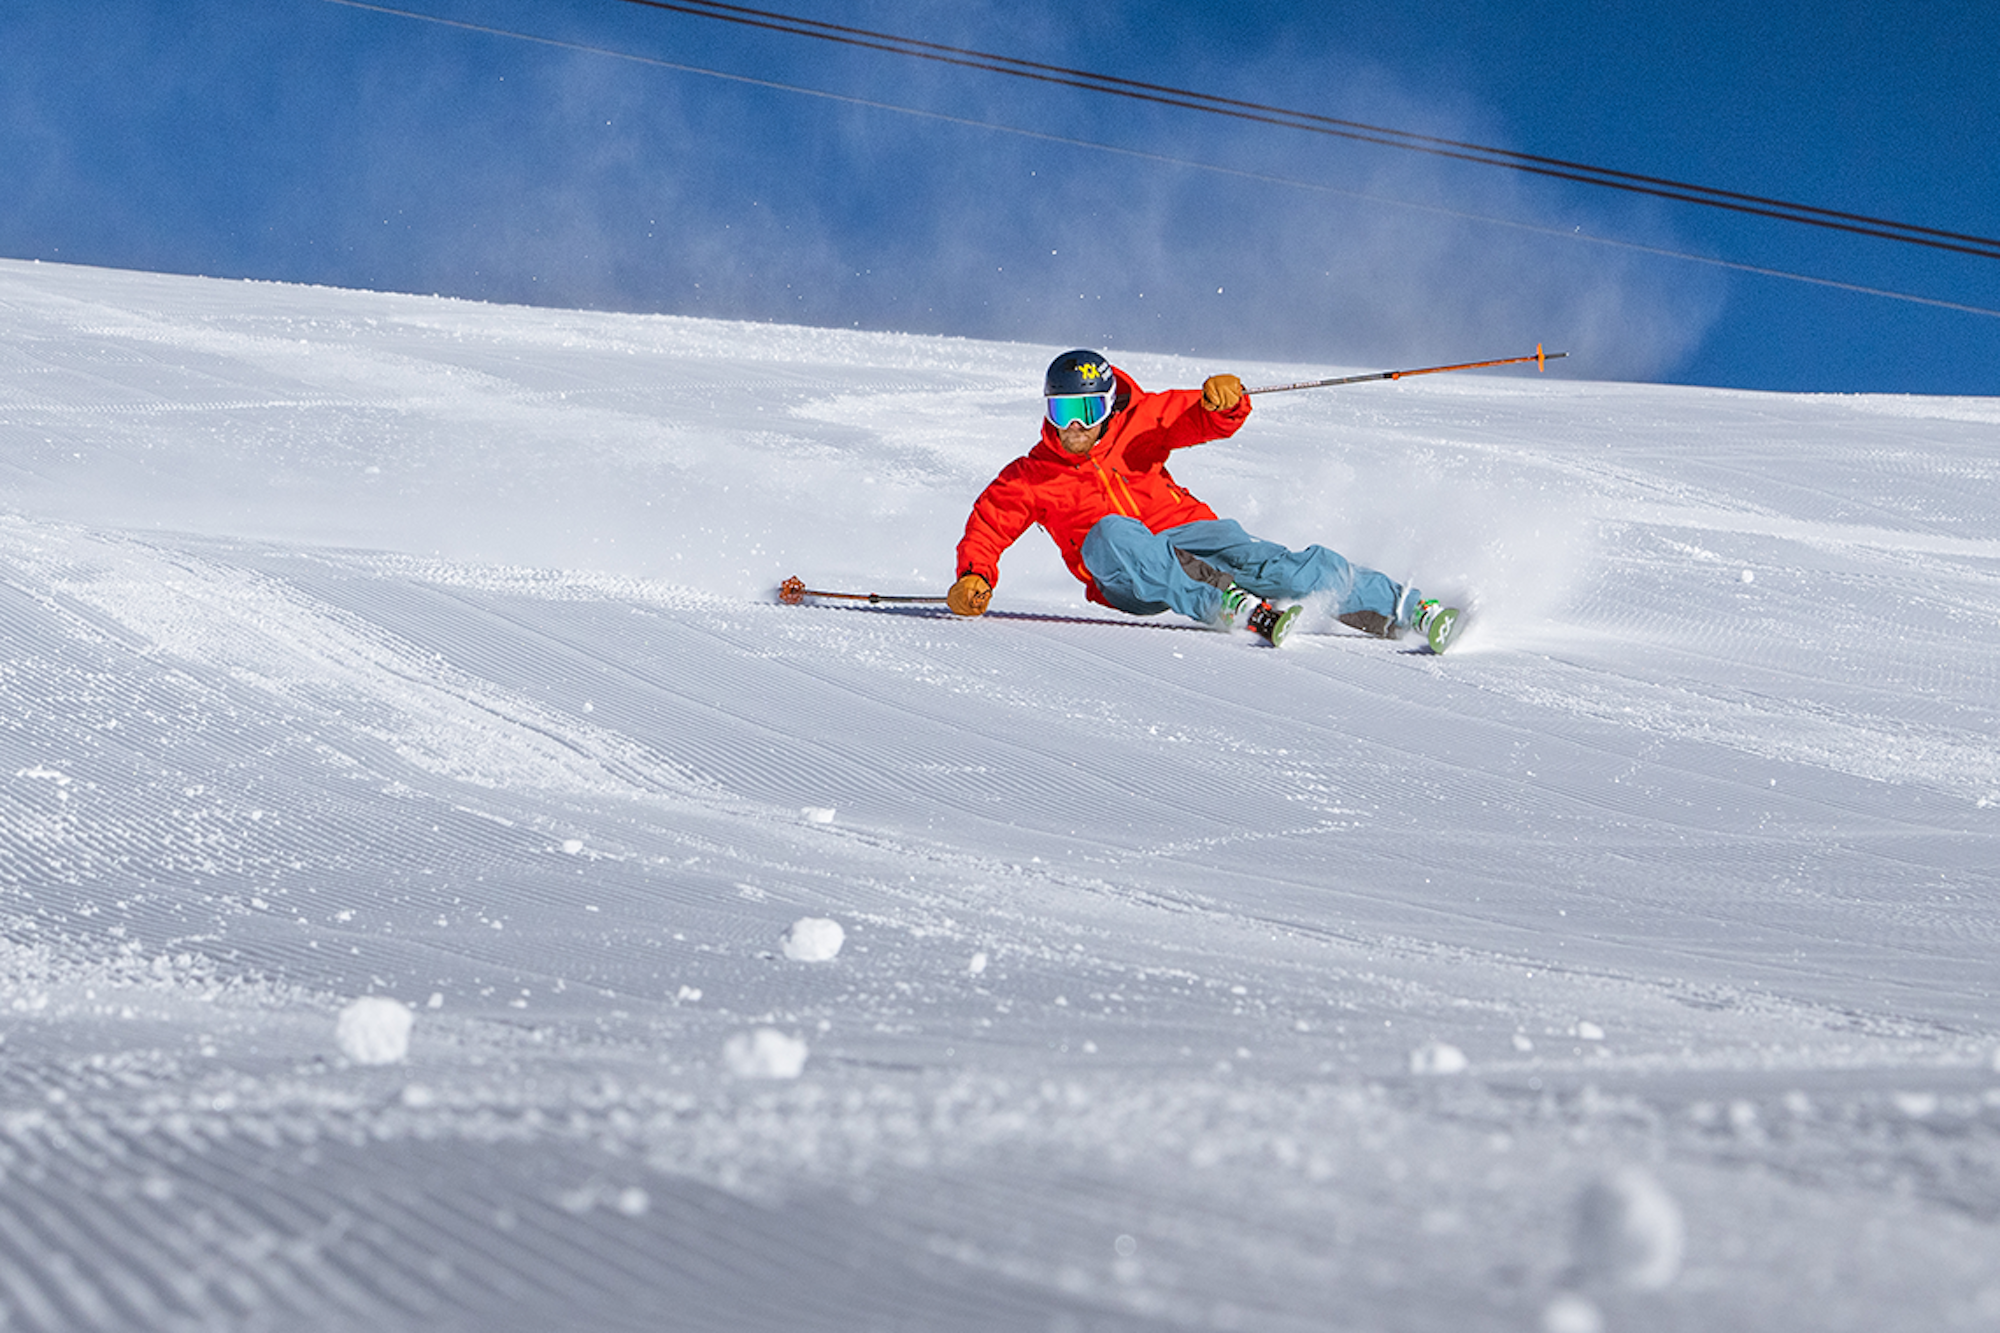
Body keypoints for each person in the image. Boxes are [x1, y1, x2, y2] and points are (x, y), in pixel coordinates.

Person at [947, 348, 1459, 650]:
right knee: (1109, 533)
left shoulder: (1140, 419)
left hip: (1190, 532)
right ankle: (1224, 604)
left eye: (1087, 408)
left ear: (1109, 406)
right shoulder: (1032, 475)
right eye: (1063, 412)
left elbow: (1195, 416)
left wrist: (1223, 402)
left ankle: (1407, 609)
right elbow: (989, 525)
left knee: (1277, 567)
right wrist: (974, 574)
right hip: (1126, 576)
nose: (1075, 426)